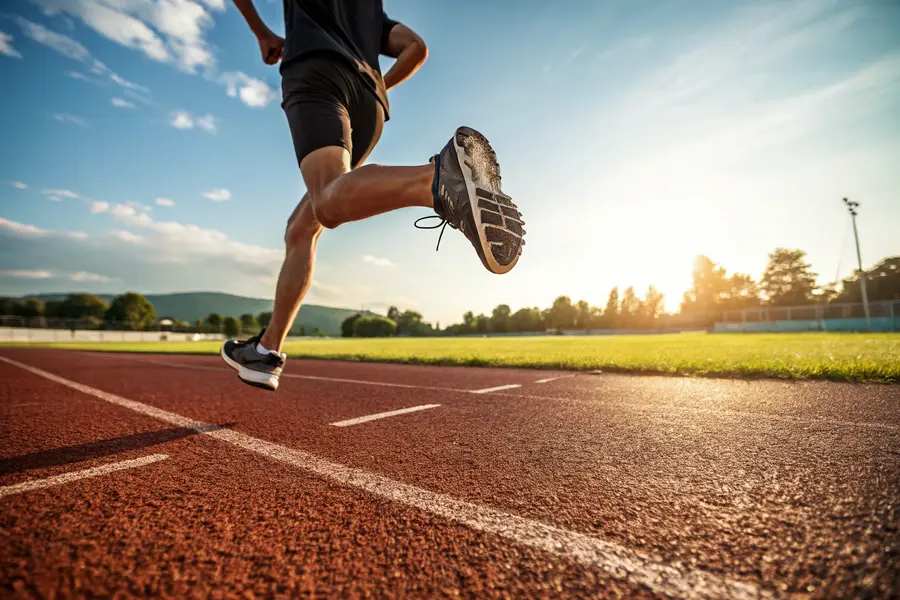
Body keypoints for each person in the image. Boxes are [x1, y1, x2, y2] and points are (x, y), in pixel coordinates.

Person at [221, 0, 526, 391]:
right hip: (369, 107)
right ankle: (266, 352)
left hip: (317, 71)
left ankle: (436, 177)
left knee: (328, 202)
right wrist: (380, 83)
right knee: (302, 227)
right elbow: (415, 46)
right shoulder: (369, 9)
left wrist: (262, 33)